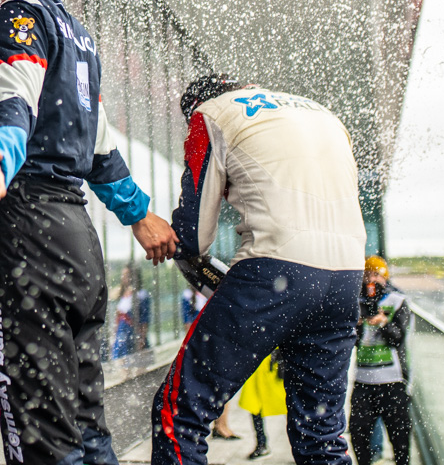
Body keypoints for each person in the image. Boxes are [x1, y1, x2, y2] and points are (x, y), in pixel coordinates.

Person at [0, 0, 178, 465]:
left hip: (29, 233)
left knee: (39, 434)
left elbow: (15, 99)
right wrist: (140, 215)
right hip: (78, 243)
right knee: (87, 426)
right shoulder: (77, 34)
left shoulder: (17, 17)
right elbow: (100, 148)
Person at [152, 75, 367, 465]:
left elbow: (194, 236)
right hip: (346, 277)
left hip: (275, 270)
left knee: (179, 411)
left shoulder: (209, 113)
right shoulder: (323, 115)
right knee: (321, 434)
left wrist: (171, 240)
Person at [349, 255, 411, 465]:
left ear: (385, 277)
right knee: (358, 436)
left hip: (392, 381)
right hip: (363, 381)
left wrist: (384, 322)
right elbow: (353, 341)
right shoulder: (357, 303)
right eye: (367, 274)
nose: (371, 280)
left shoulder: (397, 301)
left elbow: (398, 338)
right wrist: (357, 323)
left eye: (376, 274)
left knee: (400, 439)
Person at [238, 351, 288, 460]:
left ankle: (300, 444)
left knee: (288, 405)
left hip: (273, 361)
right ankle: (261, 443)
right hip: (258, 363)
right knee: (254, 404)